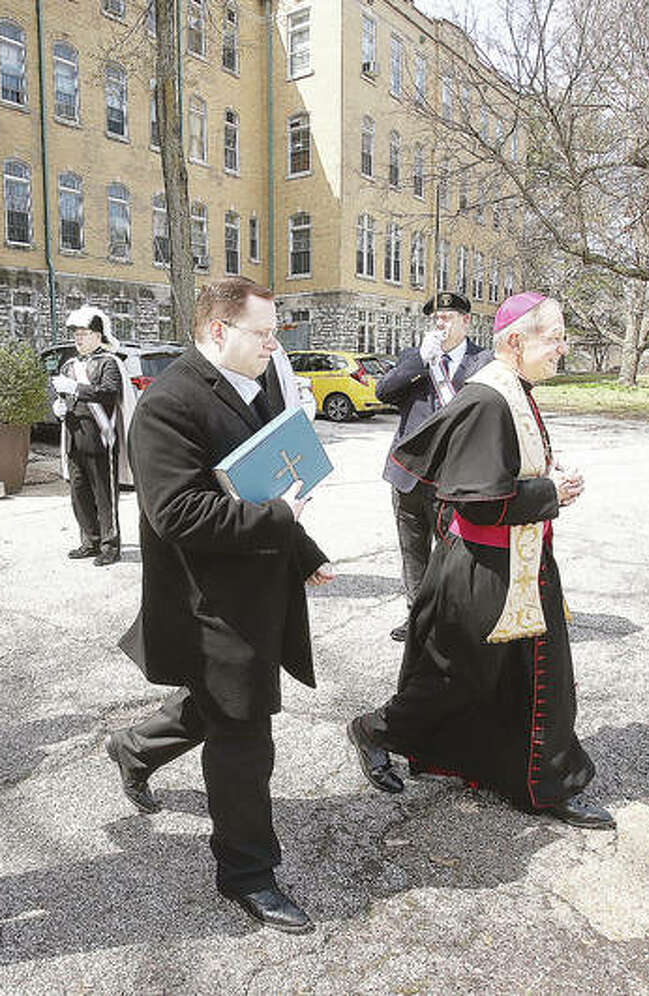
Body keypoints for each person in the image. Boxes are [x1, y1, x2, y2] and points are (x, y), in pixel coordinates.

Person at [106, 276, 336, 934]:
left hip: (254, 590)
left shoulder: (255, 385)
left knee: (218, 705)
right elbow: (177, 514)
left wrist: (304, 550)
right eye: (262, 334)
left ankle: (134, 749)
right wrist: (280, 521)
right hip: (209, 606)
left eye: (275, 334)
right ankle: (247, 873)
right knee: (243, 739)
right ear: (216, 331)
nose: (273, 346)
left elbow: (264, 481)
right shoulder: (167, 405)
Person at [347, 292, 613, 830]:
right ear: (515, 341)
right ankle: (373, 730)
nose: (562, 348)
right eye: (554, 337)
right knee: (456, 680)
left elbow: (501, 471)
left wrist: (547, 473)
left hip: (518, 560)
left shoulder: (514, 387)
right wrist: (551, 493)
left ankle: (540, 781)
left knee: (529, 677)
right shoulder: (489, 398)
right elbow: (477, 501)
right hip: (485, 569)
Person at [376, 291, 490, 642]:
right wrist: (419, 362)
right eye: (436, 318)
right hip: (408, 476)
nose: (441, 324)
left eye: (448, 317)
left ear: (466, 321)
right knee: (413, 553)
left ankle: (450, 619)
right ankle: (418, 618)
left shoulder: (484, 361)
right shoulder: (414, 357)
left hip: (454, 476)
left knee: (455, 553)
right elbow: (383, 392)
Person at [51, 306, 136, 566]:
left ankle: (110, 546)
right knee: (79, 493)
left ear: (98, 336)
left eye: (84, 333)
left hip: (101, 438)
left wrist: (76, 388)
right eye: (76, 334)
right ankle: (90, 541)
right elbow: (64, 396)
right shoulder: (69, 365)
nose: (78, 338)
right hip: (74, 437)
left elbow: (109, 393)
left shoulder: (109, 362)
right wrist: (59, 408)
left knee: (104, 495)